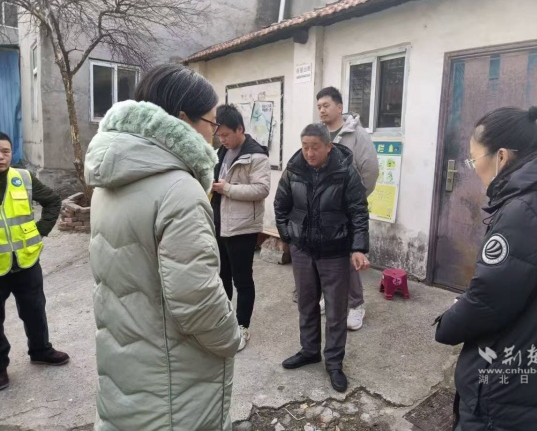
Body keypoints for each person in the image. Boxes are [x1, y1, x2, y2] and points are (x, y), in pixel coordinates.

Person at [85, 64, 241, 431]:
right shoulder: (179, 190)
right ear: (184, 120)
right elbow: (196, 299)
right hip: (174, 376)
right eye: (212, 122)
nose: (215, 135)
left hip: (127, 360)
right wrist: (230, 337)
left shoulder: (109, 181)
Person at [435, 102, 537, 431]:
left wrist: (447, 324)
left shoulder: (525, 209)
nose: (474, 169)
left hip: (512, 394)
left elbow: (489, 299)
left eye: (474, 160)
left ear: (501, 157)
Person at [275, 123, 370, 393]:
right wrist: (289, 235)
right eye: (305, 147)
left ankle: (334, 363)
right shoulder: (294, 170)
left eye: (315, 147)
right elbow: (281, 205)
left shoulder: (345, 172)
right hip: (303, 251)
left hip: (335, 252)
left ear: (328, 146)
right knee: (306, 303)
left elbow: (359, 211)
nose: (309, 153)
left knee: (336, 311)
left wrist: (358, 248)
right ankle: (309, 350)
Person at [0, 133, 68, 391]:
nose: (1, 156)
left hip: (26, 262)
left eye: (5, 151)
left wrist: (41, 230)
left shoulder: (23, 178)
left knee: (35, 310)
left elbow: (53, 201)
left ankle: (41, 351)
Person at [313, 86, 378, 331]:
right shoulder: (318, 134)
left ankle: (356, 304)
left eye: (326, 105)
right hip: (322, 209)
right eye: (319, 107)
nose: (322, 110)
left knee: (351, 257)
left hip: (347, 209)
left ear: (339, 107)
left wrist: (354, 199)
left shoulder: (357, 135)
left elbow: (370, 170)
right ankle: (327, 296)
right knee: (324, 256)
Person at [211, 104, 271, 352]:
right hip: (220, 224)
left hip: (243, 228)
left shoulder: (256, 155)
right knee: (221, 277)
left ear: (239, 129)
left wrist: (227, 189)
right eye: (219, 135)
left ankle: (242, 326)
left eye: (226, 134)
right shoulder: (221, 152)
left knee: (242, 280)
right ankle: (225, 322)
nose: (223, 140)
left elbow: (262, 189)